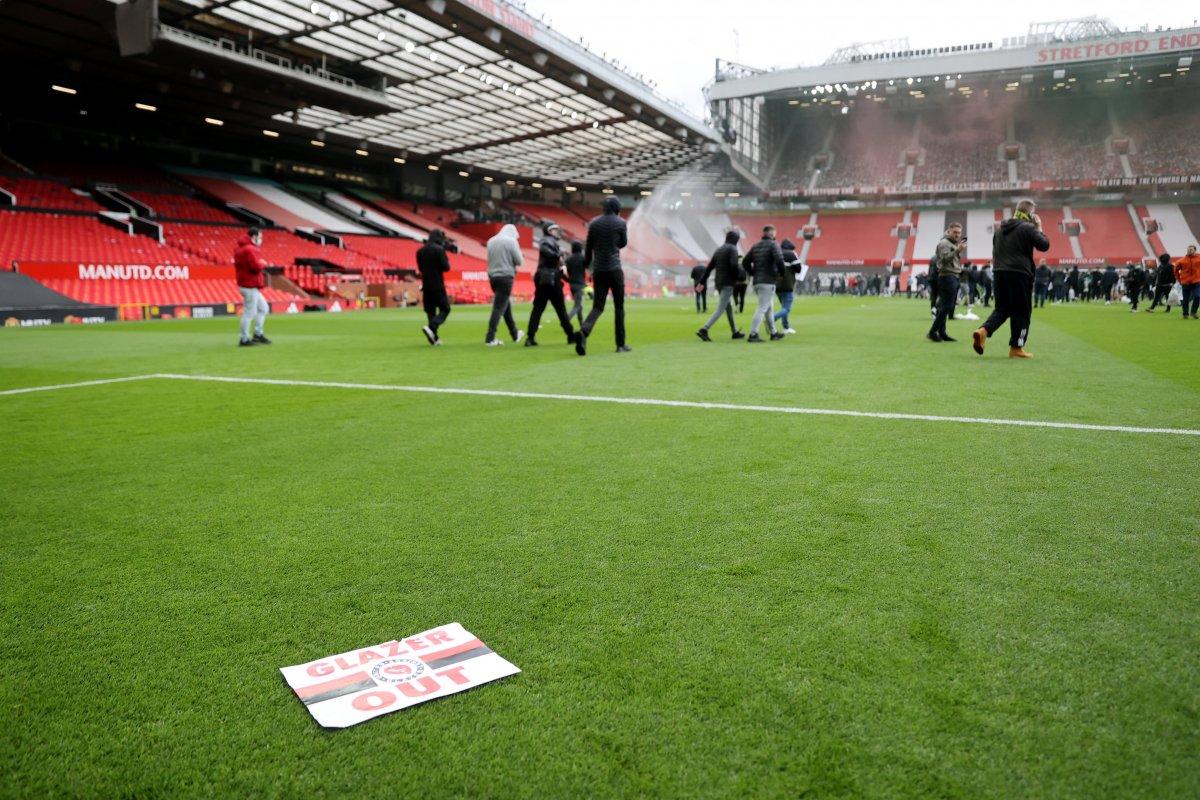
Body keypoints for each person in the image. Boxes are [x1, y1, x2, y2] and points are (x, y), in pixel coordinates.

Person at [972, 199, 1050, 359]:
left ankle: (983, 331)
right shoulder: (1028, 227)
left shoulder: (999, 229)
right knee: (1022, 311)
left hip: (999, 272)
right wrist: (1039, 227)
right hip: (1019, 273)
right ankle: (1016, 347)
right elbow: (1044, 245)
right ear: (1031, 214)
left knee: (1002, 309)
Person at [577, 196, 629, 356]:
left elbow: (588, 248)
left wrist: (587, 265)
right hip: (614, 269)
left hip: (598, 270)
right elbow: (623, 243)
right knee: (619, 307)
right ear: (616, 207)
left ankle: (584, 331)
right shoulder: (621, 223)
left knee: (598, 307)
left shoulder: (593, 223)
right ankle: (620, 344)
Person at [525, 222, 577, 347]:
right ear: (548, 231)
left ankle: (530, 337)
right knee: (560, 309)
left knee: (538, 309)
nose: (556, 232)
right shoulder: (546, 241)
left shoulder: (549, 241)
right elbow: (545, 249)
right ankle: (570, 335)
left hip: (545, 279)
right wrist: (558, 255)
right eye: (554, 230)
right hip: (550, 280)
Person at [696, 230, 746, 341]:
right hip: (728, 282)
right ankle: (704, 329)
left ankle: (735, 332)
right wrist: (738, 276)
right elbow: (734, 265)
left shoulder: (719, 250)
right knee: (720, 309)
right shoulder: (733, 249)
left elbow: (709, 268)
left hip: (718, 282)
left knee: (728, 308)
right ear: (735, 240)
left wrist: (701, 282)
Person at [741, 225, 786, 343]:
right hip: (768, 281)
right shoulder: (773, 245)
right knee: (762, 308)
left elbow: (745, 261)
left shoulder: (755, 246)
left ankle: (774, 333)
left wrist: (752, 273)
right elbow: (780, 260)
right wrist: (781, 273)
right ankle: (753, 334)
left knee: (769, 308)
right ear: (772, 234)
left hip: (757, 282)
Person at [484, 223, 526, 346]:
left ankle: (514, 333)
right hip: (506, 277)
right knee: (498, 307)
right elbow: (519, 261)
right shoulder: (511, 241)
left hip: (493, 277)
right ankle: (490, 337)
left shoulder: (491, 241)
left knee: (504, 305)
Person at [927, 222, 966, 343]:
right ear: (949, 231)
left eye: (959, 233)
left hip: (951, 276)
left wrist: (957, 250)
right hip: (947, 276)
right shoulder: (944, 243)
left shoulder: (951, 243)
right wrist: (957, 250)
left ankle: (942, 332)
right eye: (955, 232)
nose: (957, 235)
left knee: (945, 306)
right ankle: (933, 332)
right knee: (948, 306)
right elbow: (943, 260)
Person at [234, 227, 270, 347]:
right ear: (253, 237)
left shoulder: (240, 249)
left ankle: (257, 334)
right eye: (260, 237)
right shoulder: (250, 249)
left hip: (247, 284)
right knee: (250, 313)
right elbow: (255, 267)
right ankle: (244, 339)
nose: (261, 240)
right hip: (250, 285)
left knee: (263, 308)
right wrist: (262, 263)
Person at [418, 229, 453, 345]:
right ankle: (432, 327)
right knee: (445, 309)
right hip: (437, 284)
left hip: (426, 285)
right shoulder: (439, 250)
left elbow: (421, 269)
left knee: (430, 311)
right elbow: (446, 267)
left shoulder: (420, 251)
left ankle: (434, 338)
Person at [773, 239, 801, 334]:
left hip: (776, 285)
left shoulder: (776, 253)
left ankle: (786, 327)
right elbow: (798, 269)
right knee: (787, 308)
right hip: (787, 284)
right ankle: (772, 318)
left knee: (783, 307)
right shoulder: (791, 254)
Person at [564, 240, 587, 327]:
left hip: (572, 285)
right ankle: (566, 321)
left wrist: (567, 280)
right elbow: (588, 265)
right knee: (578, 305)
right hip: (580, 285)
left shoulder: (568, 259)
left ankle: (582, 324)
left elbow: (563, 271)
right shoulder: (582, 258)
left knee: (579, 305)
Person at [1176, 244, 1200, 319]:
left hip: (1197, 282)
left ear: (1195, 250)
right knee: (1185, 299)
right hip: (1185, 283)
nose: (1189, 251)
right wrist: (1179, 280)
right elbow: (1175, 271)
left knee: (1197, 296)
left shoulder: (1199, 258)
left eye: (1191, 249)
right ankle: (1185, 314)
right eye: (1188, 249)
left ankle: (1193, 312)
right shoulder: (1181, 261)